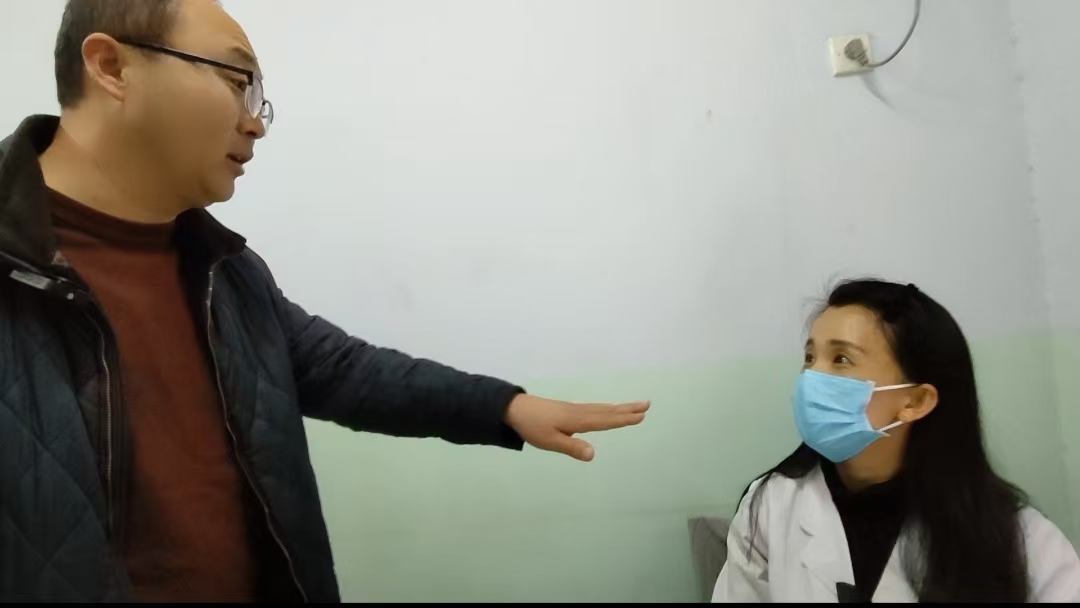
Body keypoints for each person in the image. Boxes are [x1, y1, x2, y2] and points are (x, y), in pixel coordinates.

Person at [0, 0, 650, 602]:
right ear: (112, 67)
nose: (255, 122)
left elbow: (343, 370)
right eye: (236, 80)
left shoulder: (224, 269)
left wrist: (505, 407)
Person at [713, 279, 1080, 603]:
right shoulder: (770, 506)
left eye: (841, 359)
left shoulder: (1023, 540)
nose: (811, 377)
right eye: (810, 357)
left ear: (916, 401)